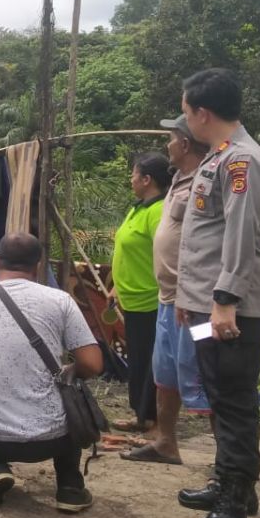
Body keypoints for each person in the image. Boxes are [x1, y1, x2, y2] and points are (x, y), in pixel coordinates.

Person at [175, 68, 260, 518]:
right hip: (207, 308)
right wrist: (190, 301)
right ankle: (228, 483)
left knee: (234, 403)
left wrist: (223, 302)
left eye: (185, 109)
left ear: (203, 113)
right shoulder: (219, 158)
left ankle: (233, 515)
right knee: (218, 392)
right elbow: (205, 238)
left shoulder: (242, 162)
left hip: (228, 310)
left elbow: (238, 234)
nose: (184, 117)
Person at [0, 233, 102, 509]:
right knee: (70, 396)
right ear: (38, 266)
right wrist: (67, 371)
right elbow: (93, 364)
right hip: (53, 439)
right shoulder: (60, 301)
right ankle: (70, 488)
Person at [121, 116, 211, 466]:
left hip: (197, 305)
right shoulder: (178, 184)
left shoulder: (212, 179)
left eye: (171, 138)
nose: (168, 145)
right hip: (167, 301)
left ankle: (230, 464)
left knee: (206, 374)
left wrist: (209, 296)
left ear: (185, 144)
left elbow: (253, 228)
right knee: (164, 374)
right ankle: (165, 442)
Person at [109, 152, 172, 436]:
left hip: (151, 301)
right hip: (132, 300)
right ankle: (141, 416)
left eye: (134, 175)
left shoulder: (159, 212)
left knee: (152, 365)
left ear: (147, 179)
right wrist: (115, 287)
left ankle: (156, 423)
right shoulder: (138, 208)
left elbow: (167, 254)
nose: (131, 180)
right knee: (138, 362)